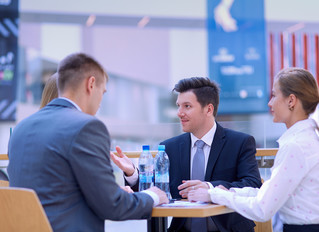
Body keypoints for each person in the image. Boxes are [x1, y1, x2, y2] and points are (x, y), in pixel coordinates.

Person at [7, 52, 169, 232]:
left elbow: (53, 192)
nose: (100, 102)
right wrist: (152, 195)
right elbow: (113, 206)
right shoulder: (87, 126)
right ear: (91, 84)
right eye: (103, 92)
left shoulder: (21, 128)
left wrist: (111, 193)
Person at [111, 77, 262, 232]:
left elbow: (253, 184)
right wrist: (132, 173)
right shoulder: (169, 147)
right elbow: (156, 190)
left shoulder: (239, 143)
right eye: (178, 106)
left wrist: (210, 188)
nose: (179, 113)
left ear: (209, 109)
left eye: (187, 106)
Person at [188, 68, 319, 232]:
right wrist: (226, 191)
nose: (270, 103)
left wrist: (214, 195)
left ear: (291, 100)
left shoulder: (296, 146)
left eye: (274, 95)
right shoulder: (307, 139)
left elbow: (262, 208)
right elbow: (268, 193)